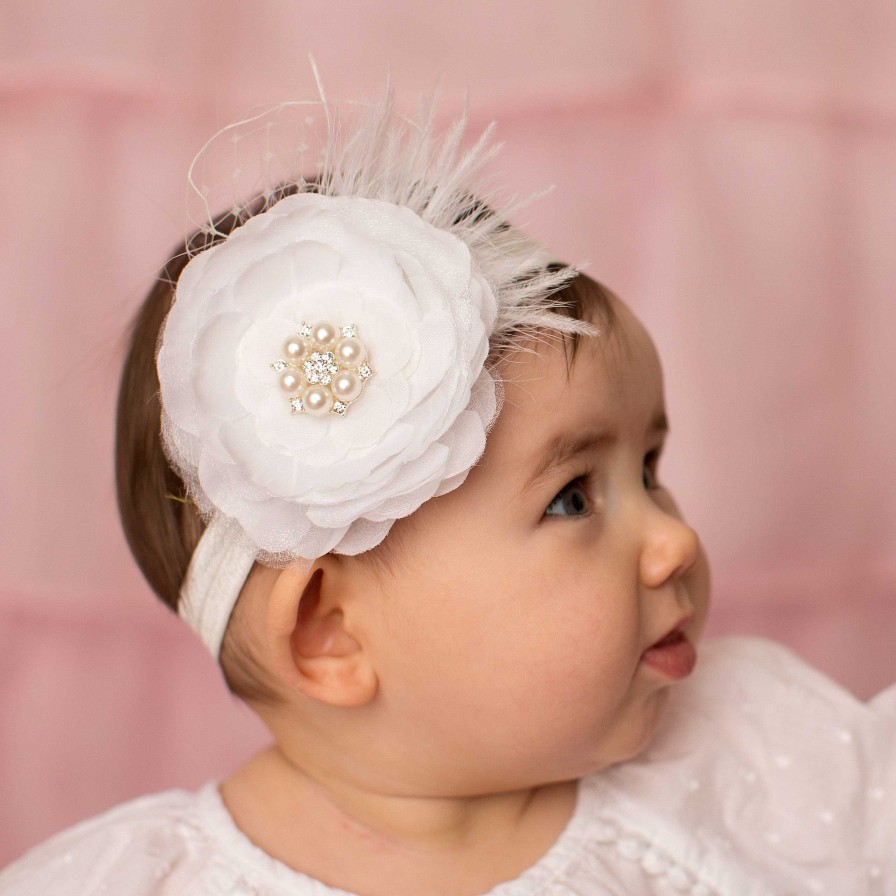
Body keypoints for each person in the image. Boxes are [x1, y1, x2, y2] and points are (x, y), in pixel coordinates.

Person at [1, 87, 893, 896]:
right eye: (574, 497)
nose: (675, 542)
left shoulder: (746, 763)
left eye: (651, 471)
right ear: (329, 633)